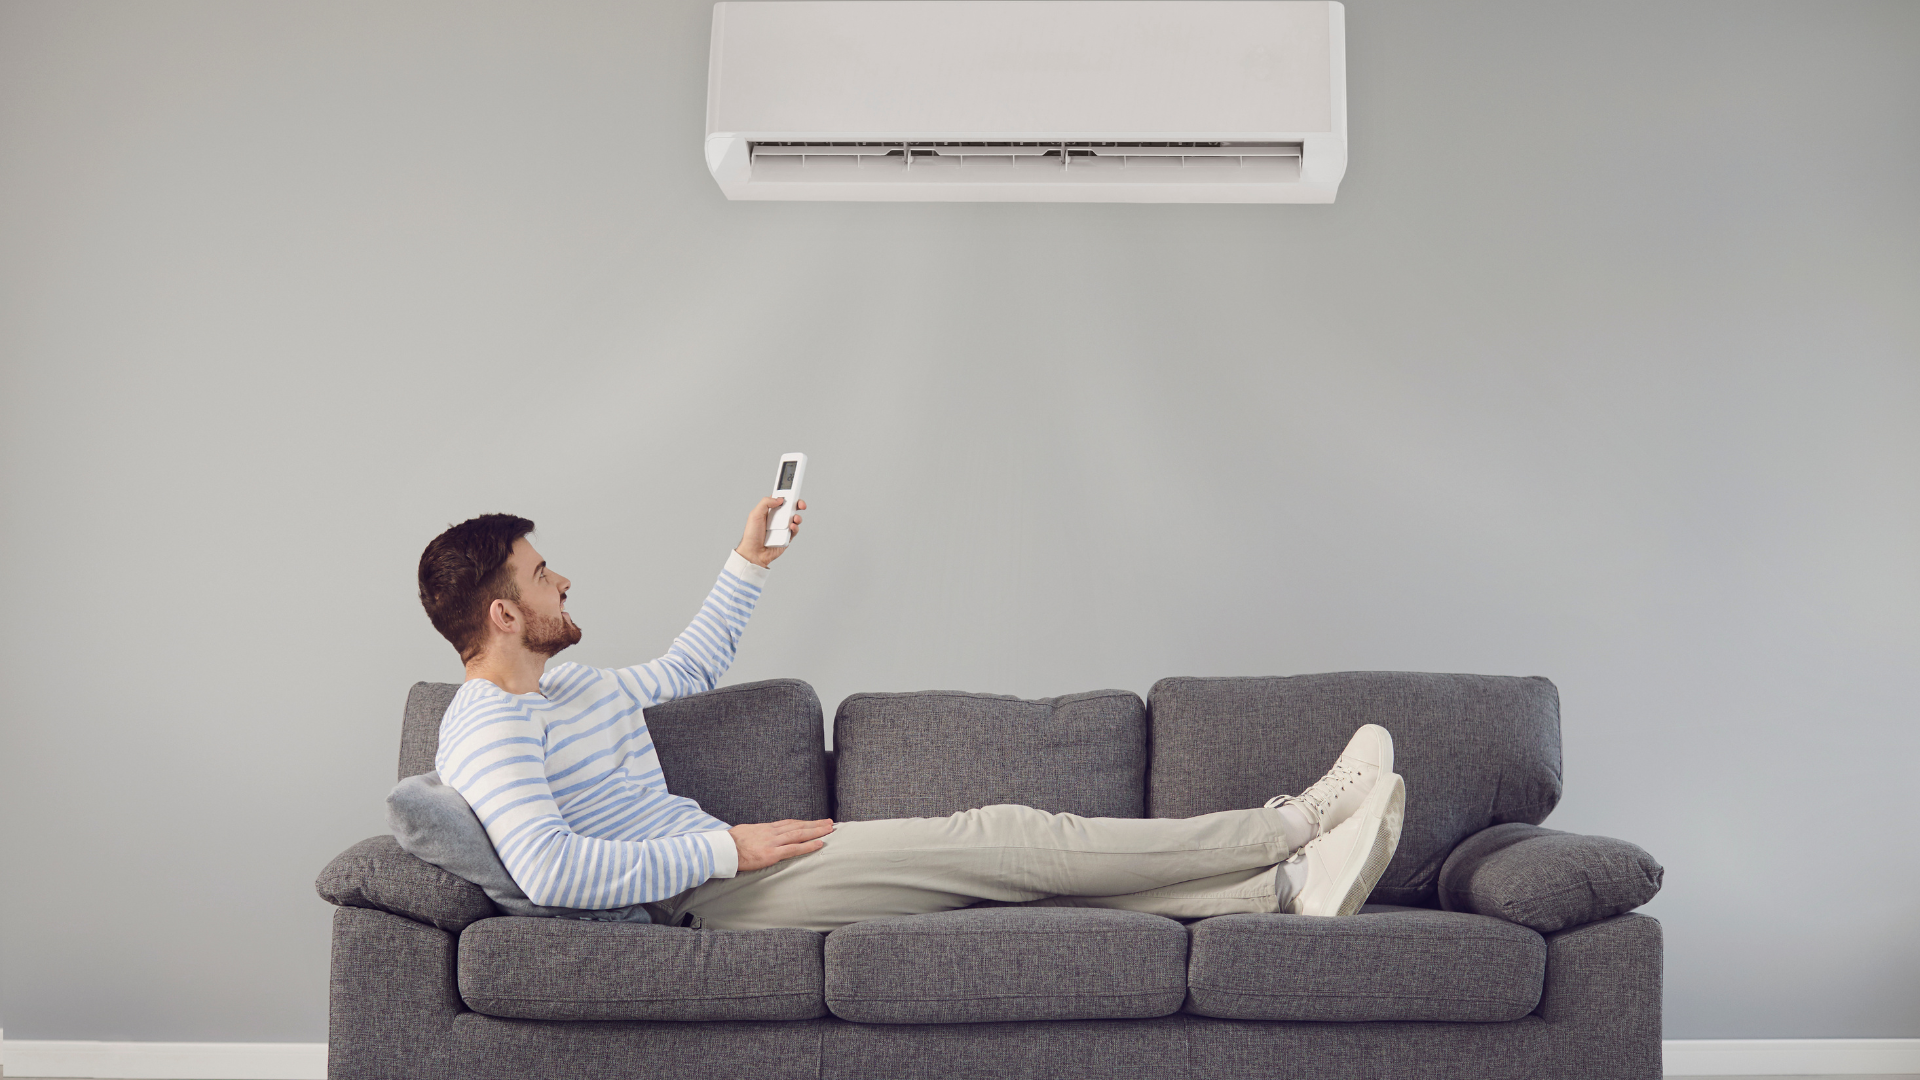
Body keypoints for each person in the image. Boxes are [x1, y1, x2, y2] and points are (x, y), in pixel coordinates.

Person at [415, 500, 1405, 933]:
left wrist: (750, 560)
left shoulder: (570, 689)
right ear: (503, 613)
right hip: (706, 897)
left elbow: (691, 665)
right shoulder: (493, 727)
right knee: (1005, 839)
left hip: (727, 870)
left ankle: (1275, 895)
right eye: (544, 574)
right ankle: (1292, 824)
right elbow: (547, 871)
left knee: (995, 880)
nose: (563, 579)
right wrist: (729, 853)